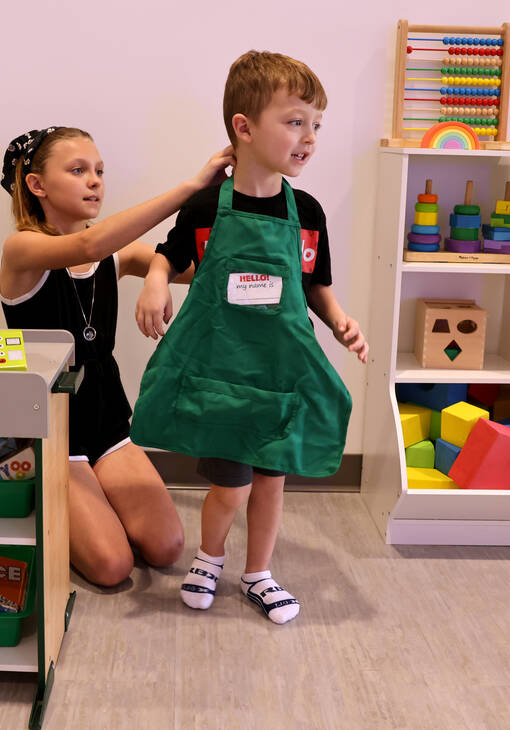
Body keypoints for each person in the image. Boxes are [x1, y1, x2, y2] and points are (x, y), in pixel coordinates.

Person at [131, 52, 368, 624]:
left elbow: (313, 283)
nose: (308, 138)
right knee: (230, 485)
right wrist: (155, 284)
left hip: (279, 370)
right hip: (221, 370)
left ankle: (258, 573)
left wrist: (339, 320)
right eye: (294, 122)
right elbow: (168, 256)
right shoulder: (208, 204)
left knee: (271, 482)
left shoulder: (306, 211)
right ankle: (209, 559)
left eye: (316, 125)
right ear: (243, 127)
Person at [0, 126, 234, 587]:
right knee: (113, 567)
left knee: (167, 547)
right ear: (36, 185)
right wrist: (192, 186)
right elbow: (88, 245)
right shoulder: (21, 249)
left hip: (106, 419)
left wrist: (158, 276)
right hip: (52, 429)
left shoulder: (116, 255)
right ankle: (37, 484)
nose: (95, 181)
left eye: (100, 171)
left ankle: (88, 494)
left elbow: (193, 269)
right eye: (78, 170)